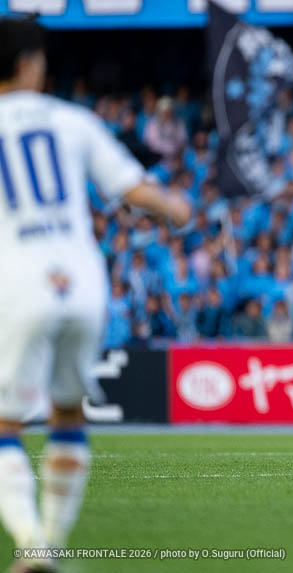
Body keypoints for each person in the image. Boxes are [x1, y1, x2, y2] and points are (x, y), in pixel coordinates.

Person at [0, 17, 190, 573]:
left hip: (19, 278)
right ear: (29, 63)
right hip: (83, 279)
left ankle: (33, 543)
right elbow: (134, 191)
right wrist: (176, 208)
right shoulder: (72, 120)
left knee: (6, 423)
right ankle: (53, 544)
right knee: (68, 413)